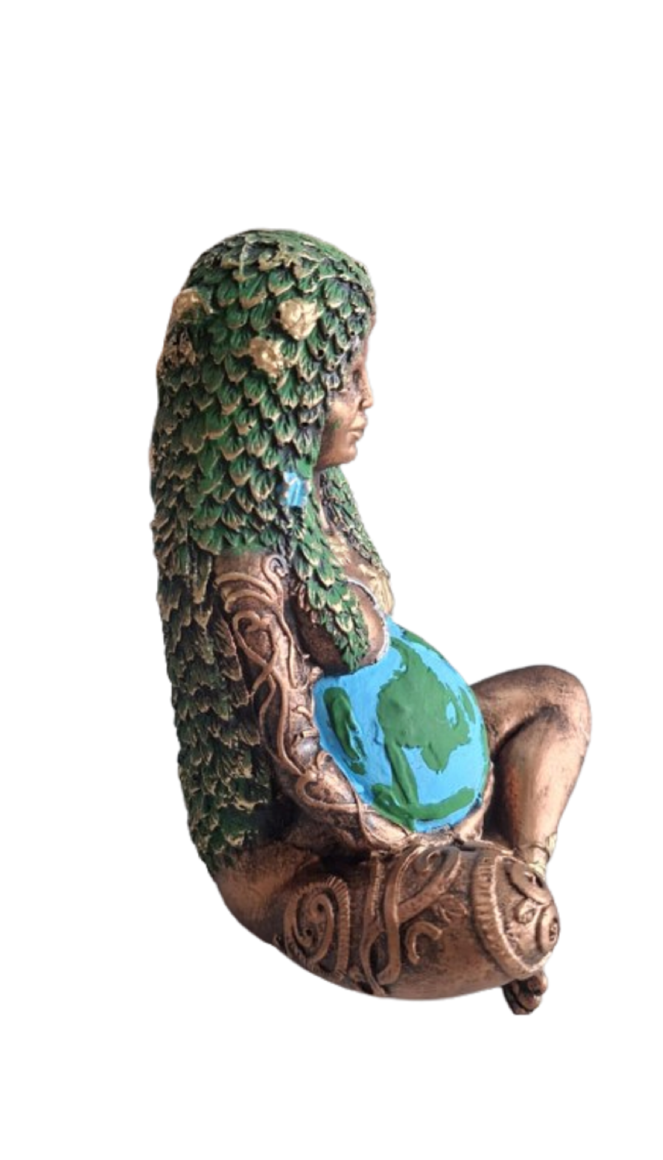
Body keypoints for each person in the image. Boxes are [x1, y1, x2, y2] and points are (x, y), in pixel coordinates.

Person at [151, 230, 590, 1012]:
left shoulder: (313, 490)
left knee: (559, 699)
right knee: (510, 926)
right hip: (316, 848)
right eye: (344, 375)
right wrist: (406, 843)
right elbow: (298, 759)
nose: (368, 395)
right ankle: (501, 887)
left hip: (432, 776)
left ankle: (517, 865)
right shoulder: (244, 570)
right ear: (284, 400)